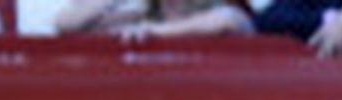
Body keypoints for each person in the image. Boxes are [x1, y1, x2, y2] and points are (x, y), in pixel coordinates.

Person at [51, 0, 252, 40]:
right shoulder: (140, 17)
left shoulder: (218, 11)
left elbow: (229, 19)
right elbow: (65, 24)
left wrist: (156, 32)